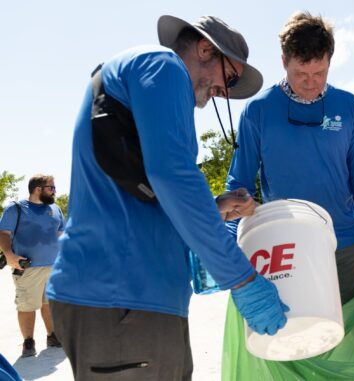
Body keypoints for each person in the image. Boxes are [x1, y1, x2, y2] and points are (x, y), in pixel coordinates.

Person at [45, 15, 288, 380]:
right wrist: (242, 279)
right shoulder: (163, 64)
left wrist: (212, 207)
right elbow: (172, 175)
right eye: (231, 78)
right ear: (205, 49)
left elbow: (143, 185)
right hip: (123, 297)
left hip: (126, 299)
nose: (225, 91)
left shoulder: (134, 75)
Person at [222, 11, 354, 380]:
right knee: (293, 347)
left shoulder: (349, 108)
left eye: (320, 74)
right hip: (288, 250)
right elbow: (238, 188)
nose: (311, 83)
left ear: (330, 63)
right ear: (284, 62)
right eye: (300, 74)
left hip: (349, 248)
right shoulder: (258, 111)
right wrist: (232, 260)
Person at [0, 174, 65, 358]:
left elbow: (61, 234)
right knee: (27, 305)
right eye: (51, 188)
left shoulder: (55, 208)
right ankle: (28, 342)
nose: (54, 191)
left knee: (49, 303)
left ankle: (52, 336)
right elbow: (4, 233)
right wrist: (9, 255)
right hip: (28, 268)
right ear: (38, 189)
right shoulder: (16, 209)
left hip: (53, 266)